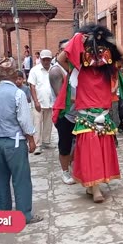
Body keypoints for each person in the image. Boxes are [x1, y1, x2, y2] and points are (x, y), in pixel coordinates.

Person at [58, 24, 123, 203]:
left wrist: (111, 39)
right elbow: (61, 59)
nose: (97, 55)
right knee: (92, 152)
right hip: (86, 117)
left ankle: (92, 185)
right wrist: (77, 38)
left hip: (104, 117)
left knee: (101, 152)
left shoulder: (111, 69)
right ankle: (95, 189)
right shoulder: (78, 69)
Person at [0, 59, 42, 224]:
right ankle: (24, 214)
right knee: (21, 179)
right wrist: (31, 139)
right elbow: (24, 121)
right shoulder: (17, 94)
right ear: (14, 74)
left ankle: (2, 214)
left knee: (2, 179)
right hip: (14, 142)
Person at [49, 40, 76, 184]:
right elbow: (61, 96)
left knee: (77, 144)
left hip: (78, 113)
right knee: (65, 145)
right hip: (64, 115)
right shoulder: (56, 71)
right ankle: (65, 172)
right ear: (60, 52)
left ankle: (73, 167)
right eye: (66, 51)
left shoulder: (75, 67)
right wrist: (85, 98)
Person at [28, 49, 54, 155]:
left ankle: (46, 142)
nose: (46, 62)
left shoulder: (54, 69)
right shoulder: (35, 70)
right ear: (41, 59)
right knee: (37, 123)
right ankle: (37, 145)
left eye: (48, 59)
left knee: (48, 123)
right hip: (39, 101)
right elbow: (32, 86)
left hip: (51, 101)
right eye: (44, 60)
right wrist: (36, 101)